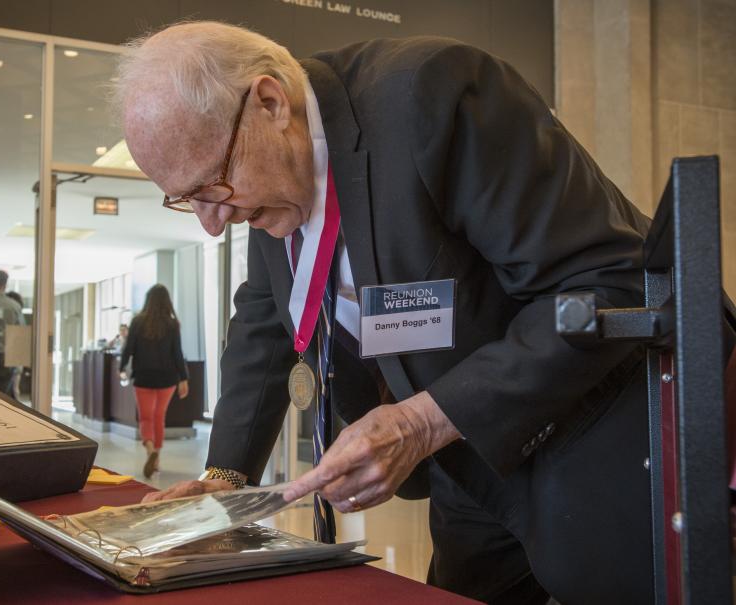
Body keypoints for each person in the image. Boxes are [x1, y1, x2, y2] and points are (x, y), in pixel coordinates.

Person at [116, 22, 653, 605]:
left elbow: (607, 281)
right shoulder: (268, 185)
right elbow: (265, 323)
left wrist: (420, 421)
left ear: (270, 103)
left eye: (210, 187)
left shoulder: (431, 94)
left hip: (595, 440)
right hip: (470, 469)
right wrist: (223, 482)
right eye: (184, 199)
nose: (210, 222)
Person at [119, 285, 189, 479]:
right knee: (159, 416)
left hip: (143, 377)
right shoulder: (173, 324)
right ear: (167, 301)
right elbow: (177, 354)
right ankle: (157, 456)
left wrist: (121, 368)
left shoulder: (138, 322)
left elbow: (129, 349)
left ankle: (150, 450)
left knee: (146, 417)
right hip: (168, 379)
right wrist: (184, 378)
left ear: (148, 300)